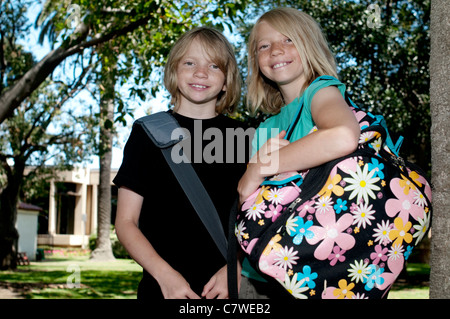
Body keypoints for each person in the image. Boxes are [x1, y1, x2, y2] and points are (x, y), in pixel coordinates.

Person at [114, 26, 251, 299]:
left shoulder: (248, 137)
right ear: (174, 72)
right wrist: (165, 276)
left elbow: (261, 219)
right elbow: (126, 222)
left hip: (229, 289)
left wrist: (236, 267)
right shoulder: (146, 134)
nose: (201, 72)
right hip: (163, 289)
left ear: (226, 81)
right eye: (190, 63)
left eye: (214, 65)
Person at [237, 7, 361, 295]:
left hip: (309, 268)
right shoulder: (267, 127)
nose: (276, 50)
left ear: (310, 45)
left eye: (288, 39)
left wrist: (263, 165)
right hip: (259, 270)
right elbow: (250, 198)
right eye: (264, 46)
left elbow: (343, 136)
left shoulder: (321, 92)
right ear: (256, 61)